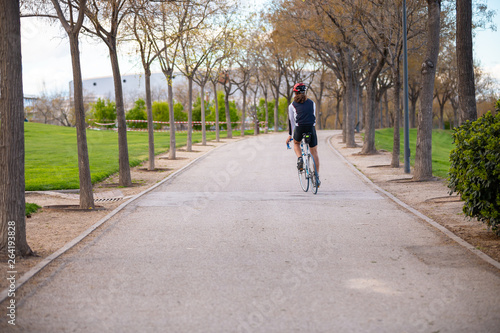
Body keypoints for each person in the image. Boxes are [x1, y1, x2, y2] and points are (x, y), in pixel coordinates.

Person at [286, 82, 320, 186]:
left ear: (295, 93)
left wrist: (290, 136)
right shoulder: (312, 103)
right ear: (304, 92)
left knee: (296, 143)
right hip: (311, 127)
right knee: (314, 152)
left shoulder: (292, 105)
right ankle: (317, 177)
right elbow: (313, 116)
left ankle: (300, 158)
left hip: (299, 127)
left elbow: (292, 121)